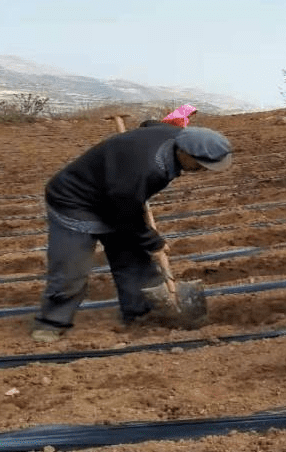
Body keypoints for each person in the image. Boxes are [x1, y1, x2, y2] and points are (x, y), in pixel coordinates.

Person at [30, 125, 234, 342]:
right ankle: (51, 323)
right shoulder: (147, 169)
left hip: (117, 196)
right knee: (71, 267)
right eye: (200, 164)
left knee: (134, 262)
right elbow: (125, 213)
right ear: (183, 152)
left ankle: (140, 315)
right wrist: (152, 242)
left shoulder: (173, 135)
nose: (203, 170)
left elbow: (148, 124)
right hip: (76, 200)